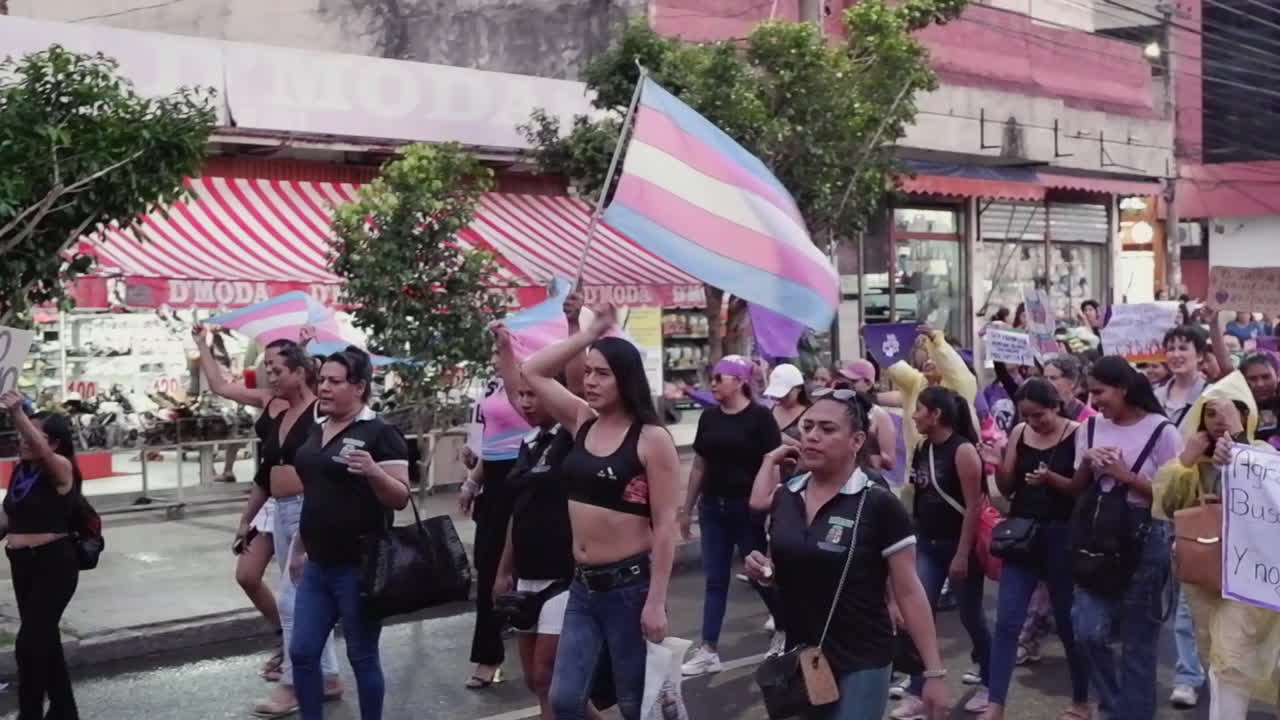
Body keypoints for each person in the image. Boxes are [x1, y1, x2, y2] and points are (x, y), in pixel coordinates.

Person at [745, 389, 950, 720]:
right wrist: (766, 573)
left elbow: (910, 591)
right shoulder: (786, 496)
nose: (811, 436)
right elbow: (787, 572)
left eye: (827, 429)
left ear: (856, 441)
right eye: (807, 426)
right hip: (803, 656)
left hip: (863, 657)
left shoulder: (878, 503)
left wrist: (934, 673)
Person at [522, 307, 680, 720]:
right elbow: (533, 371)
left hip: (629, 590)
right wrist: (587, 332)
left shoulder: (651, 439)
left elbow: (665, 525)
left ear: (626, 380)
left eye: (602, 373)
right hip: (582, 587)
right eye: (588, 371)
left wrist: (657, 601)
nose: (590, 381)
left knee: (635, 705)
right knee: (565, 698)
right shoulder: (581, 421)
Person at [194, 326, 345, 714]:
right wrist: (202, 345)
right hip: (277, 508)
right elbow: (266, 468)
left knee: (295, 599)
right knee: (299, 594)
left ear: (299, 371)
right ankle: (326, 676)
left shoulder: (319, 409)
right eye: (269, 370)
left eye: (277, 369)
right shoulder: (273, 404)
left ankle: (293, 685)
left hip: (308, 508)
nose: (269, 376)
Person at [288, 347, 411, 720]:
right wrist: (297, 548)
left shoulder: (381, 433)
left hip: (359, 566)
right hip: (318, 565)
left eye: (334, 381)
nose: (323, 387)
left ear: (358, 387)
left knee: (361, 656)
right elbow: (314, 495)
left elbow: (401, 497)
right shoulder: (317, 429)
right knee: (303, 652)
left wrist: (374, 472)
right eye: (322, 379)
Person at [488, 324, 602, 720]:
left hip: (564, 578)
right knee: (537, 684)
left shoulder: (574, 438)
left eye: (533, 394)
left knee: (548, 674)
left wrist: (577, 327)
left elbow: (573, 379)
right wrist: (504, 571)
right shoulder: (528, 444)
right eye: (520, 395)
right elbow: (519, 514)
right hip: (526, 577)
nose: (525, 403)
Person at [1152, 372, 1280, 720]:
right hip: (1213, 582)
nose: (1219, 420)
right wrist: (1186, 464)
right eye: (1211, 412)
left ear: (1246, 413)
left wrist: (1240, 449)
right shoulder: (1192, 461)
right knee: (1226, 666)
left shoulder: (1265, 455)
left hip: (1262, 583)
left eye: (1230, 410)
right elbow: (1168, 507)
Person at [1067, 356, 1183, 720]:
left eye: (1100, 392)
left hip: (1146, 539)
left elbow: (1175, 500)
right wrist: (1088, 462)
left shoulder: (1163, 432)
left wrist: (1124, 475)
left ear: (1124, 388)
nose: (1094, 401)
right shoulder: (1087, 430)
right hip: (1096, 538)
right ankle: (1116, 706)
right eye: (1090, 393)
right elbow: (1076, 488)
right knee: (1087, 631)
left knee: (1138, 645)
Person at [978, 379, 1089, 720]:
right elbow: (1008, 488)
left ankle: (1081, 700)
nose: (1034, 422)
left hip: (1061, 535)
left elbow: (1081, 490)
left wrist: (1050, 479)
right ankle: (996, 703)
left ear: (1056, 406)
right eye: (1027, 416)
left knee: (1069, 625)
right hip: (1022, 535)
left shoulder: (1079, 433)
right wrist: (997, 463)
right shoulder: (1020, 433)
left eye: (1039, 415)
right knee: (1007, 621)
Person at [681, 356, 787, 675]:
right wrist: (686, 509)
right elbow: (699, 464)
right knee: (715, 579)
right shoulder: (709, 418)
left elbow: (774, 464)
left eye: (719, 377)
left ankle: (784, 627)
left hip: (747, 508)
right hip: (713, 508)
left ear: (740, 381)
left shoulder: (760, 419)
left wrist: (774, 508)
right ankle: (708, 649)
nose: (712, 384)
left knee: (759, 574)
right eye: (712, 378)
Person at [893, 387, 991, 719]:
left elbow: (973, 508)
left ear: (936, 415)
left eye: (919, 409)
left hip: (956, 547)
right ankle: (918, 689)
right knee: (917, 617)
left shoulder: (963, 452)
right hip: (927, 544)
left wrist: (962, 555)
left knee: (970, 616)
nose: (914, 415)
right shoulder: (922, 447)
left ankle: (991, 682)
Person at [1, 392, 82, 720]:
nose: (23, 439)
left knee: (28, 643)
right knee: (45, 641)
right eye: (22, 433)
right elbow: (8, 518)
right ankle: (64, 711)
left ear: (56, 443)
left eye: (33, 434)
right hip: (22, 565)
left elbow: (45, 453)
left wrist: (17, 412)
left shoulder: (61, 468)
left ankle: (30, 712)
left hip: (54, 564)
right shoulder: (21, 473)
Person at [1150, 325, 1210, 706]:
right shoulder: (1154, 397)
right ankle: (1194, 667)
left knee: (1191, 592)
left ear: (1199, 354)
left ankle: (1189, 675)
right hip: (1162, 501)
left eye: (1183, 347)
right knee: (1169, 593)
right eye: (1170, 347)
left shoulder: (1213, 395)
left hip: (1201, 502)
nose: (1175, 353)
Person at [836, 360, 896, 472]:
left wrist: (867, 448)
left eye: (853, 381)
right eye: (846, 380)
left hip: (866, 479)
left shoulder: (878, 415)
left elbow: (890, 462)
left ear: (868, 384)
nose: (848, 385)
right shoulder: (835, 409)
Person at [764, 363, 809, 443]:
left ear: (798, 388)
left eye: (786, 394)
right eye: (776, 394)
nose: (781, 399)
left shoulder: (810, 415)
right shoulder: (768, 410)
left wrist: (791, 442)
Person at [1043, 356, 1095, 422]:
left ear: (1072, 381)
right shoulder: (1041, 415)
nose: (1047, 383)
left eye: (1053, 378)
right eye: (1045, 378)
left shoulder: (1090, 418)